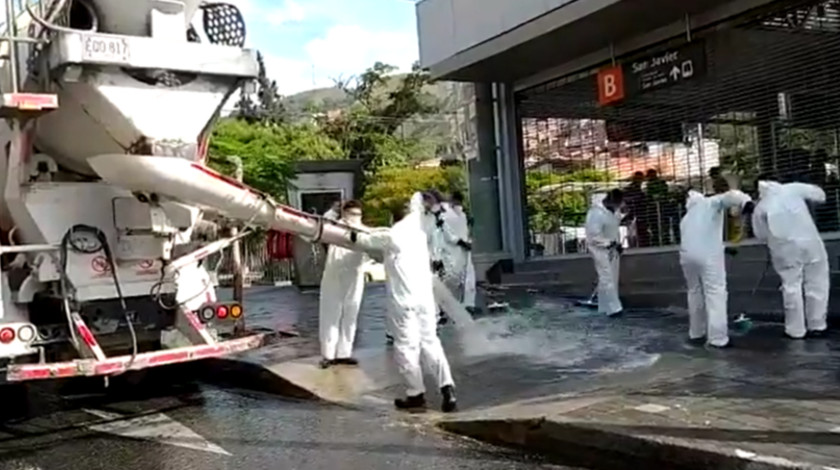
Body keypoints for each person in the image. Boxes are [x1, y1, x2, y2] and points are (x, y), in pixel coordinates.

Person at [365, 193, 457, 412]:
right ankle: (447, 388)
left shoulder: (393, 235)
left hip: (404, 303)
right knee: (431, 343)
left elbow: (363, 240)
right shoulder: (418, 234)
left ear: (393, 218)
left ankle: (415, 394)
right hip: (425, 301)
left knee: (406, 347)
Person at [752, 178, 829, 340]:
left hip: (784, 249)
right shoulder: (793, 188)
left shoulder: (760, 207)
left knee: (791, 287)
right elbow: (820, 195)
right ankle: (817, 325)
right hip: (810, 243)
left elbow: (760, 235)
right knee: (817, 282)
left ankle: (795, 330)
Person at [679, 189, 752, 348]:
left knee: (694, 293)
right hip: (709, 257)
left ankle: (696, 333)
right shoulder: (710, 203)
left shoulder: (686, 218)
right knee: (715, 293)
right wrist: (746, 202)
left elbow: (698, 240)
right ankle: (718, 339)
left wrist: (724, 248)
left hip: (687, 258)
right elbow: (731, 195)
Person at [318, 200, 367, 369]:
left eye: (358, 215)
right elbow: (322, 224)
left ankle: (344, 353)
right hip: (334, 275)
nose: (355, 218)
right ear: (344, 214)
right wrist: (332, 210)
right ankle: (328, 355)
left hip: (354, 276)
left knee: (350, 315)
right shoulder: (335, 228)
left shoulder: (364, 231)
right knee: (331, 314)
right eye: (352, 215)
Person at [585, 189, 625, 317]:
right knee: (606, 276)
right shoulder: (596, 213)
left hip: (612, 247)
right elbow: (593, 235)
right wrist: (608, 243)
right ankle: (615, 308)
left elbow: (614, 226)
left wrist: (616, 244)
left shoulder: (614, 211)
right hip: (599, 249)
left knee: (613, 277)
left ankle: (605, 306)